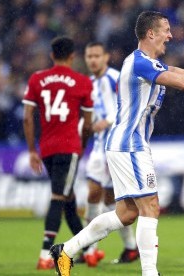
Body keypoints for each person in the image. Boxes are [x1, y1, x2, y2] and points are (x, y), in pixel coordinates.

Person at [49, 11, 184, 276]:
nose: (170, 35)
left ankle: (66, 251)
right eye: (165, 29)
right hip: (129, 144)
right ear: (150, 33)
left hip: (126, 143)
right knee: (150, 207)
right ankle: (150, 272)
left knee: (126, 213)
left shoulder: (149, 62)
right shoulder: (140, 62)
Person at [22, 36, 94, 270]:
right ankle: (45, 254)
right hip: (69, 146)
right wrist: (81, 146)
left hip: (47, 148)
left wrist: (32, 150)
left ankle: (91, 250)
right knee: (58, 198)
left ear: (52, 56)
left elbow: (26, 117)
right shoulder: (82, 82)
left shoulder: (37, 79)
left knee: (68, 199)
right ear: (73, 56)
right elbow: (88, 123)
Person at [79, 41, 138, 266]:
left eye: (96, 55)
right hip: (98, 148)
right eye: (89, 56)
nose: (93, 60)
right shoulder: (87, 84)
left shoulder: (117, 77)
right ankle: (91, 248)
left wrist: (110, 120)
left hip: (118, 147)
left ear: (105, 57)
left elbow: (131, 106)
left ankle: (130, 248)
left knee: (117, 202)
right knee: (94, 193)